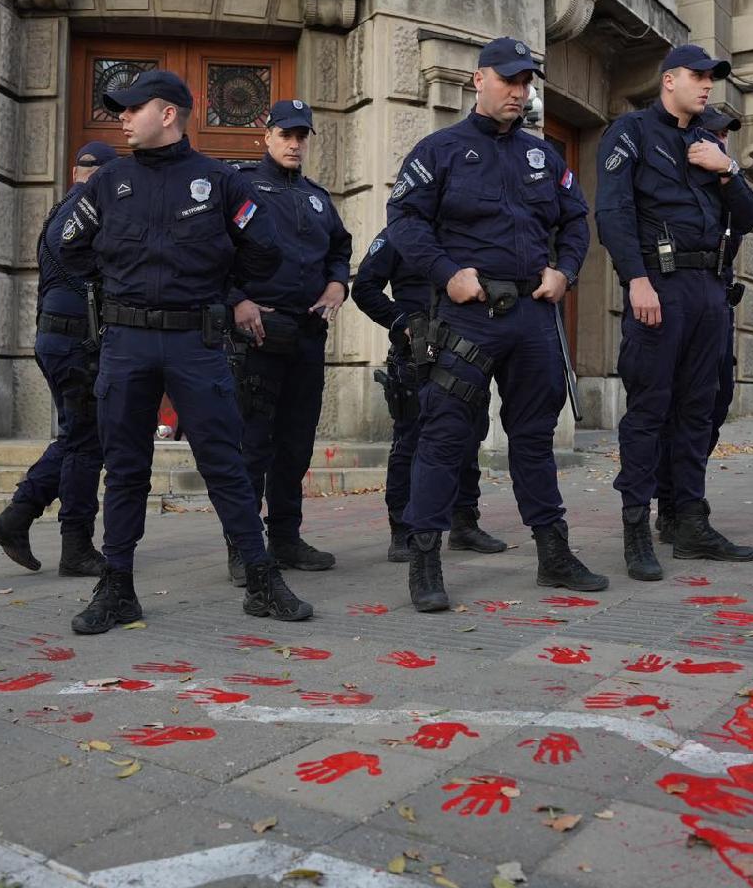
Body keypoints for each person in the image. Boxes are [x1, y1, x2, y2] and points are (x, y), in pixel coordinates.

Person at [57, 69, 312, 633]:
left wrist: (220, 290)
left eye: (130, 107)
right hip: (125, 342)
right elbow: (66, 248)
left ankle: (262, 579)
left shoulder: (220, 181)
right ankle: (118, 587)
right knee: (124, 469)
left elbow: (265, 251)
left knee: (226, 464)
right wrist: (118, 279)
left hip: (196, 342)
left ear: (167, 113)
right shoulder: (108, 182)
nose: (120, 117)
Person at [388, 36, 606, 612]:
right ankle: (425, 559)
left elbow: (576, 220)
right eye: (509, 80)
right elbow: (404, 222)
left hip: (535, 315)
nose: (520, 91)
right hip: (469, 317)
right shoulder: (439, 151)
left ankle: (553, 553)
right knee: (443, 437)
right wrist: (444, 272)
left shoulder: (542, 156)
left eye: (526, 82)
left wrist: (565, 271)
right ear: (479, 80)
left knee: (534, 438)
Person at [596, 48, 753, 581]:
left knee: (699, 408)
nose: (708, 86)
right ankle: (636, 528)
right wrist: (636, 279)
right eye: (698, 76)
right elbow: (613, 211)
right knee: (649, 409)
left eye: (711, 78)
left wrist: (728, 168)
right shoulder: (631, 132)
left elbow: (748, 215)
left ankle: (688, 520)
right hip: (659, 286)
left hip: (708, 288)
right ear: (669, 80)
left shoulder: (707, 143)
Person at [225, 100, 351, 581]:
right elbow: (212, 248)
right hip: (256, 339)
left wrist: (339, 284)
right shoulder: (239, 186)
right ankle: (243, 546)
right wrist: (236, 299)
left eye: (302, 136)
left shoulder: (318, 198)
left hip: (306, 337)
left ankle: (284, 538)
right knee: (252, 445)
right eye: (286, 134)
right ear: (267, 135)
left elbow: (341, 247)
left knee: (295, 445)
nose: (295, 144)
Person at [0, 142, 117, 575]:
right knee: (84, 445)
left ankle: (17, 518)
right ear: (102, 175)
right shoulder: (91, 208)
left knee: (77, 438)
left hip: (57, 340)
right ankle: (74, 546)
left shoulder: (65, 206)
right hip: (75, 343)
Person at [353, 227, 506, 561]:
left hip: (466, 351)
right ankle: (402, 529)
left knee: (467, 437)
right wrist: (402, 324)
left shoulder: (464, 231)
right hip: (418, 355)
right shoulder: (401, 233)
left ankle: (464, 522)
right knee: (410, 441)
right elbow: (364, 288)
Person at [653, 106, 749, 545]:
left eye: (725, 138)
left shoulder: (724, 183)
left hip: (716, 304)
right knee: (674, 406)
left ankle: (682, 493)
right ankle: (671, 501)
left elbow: (748, 218)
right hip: (676, 299)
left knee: (714, 401)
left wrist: (729, 171)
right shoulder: (679, 180)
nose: (721, 142)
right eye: (714, 136)